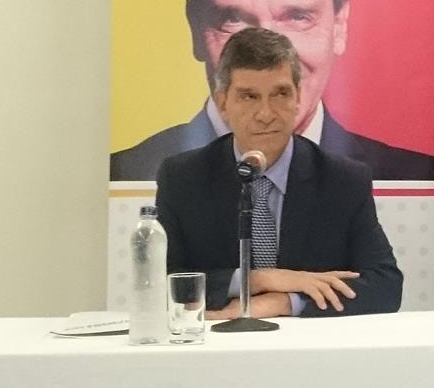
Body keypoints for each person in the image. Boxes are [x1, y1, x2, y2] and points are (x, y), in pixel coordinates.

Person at [111, 0, 434, 182]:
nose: (267, 57)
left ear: (339, 25)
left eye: (297, 17)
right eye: (234, 19)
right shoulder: (127, 175)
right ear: (195, 28)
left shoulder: (411, 178)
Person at [156, 28, 402, 318]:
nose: (266, 114)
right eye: (249, 96)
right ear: (223, 103)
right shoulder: (183, 178)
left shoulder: (343, 180)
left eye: (280, 94)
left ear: (297, 98)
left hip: (308, 344)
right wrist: (259, 280)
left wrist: (285, 302)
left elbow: (385, 285)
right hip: (219, 341)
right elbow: (162, 283)